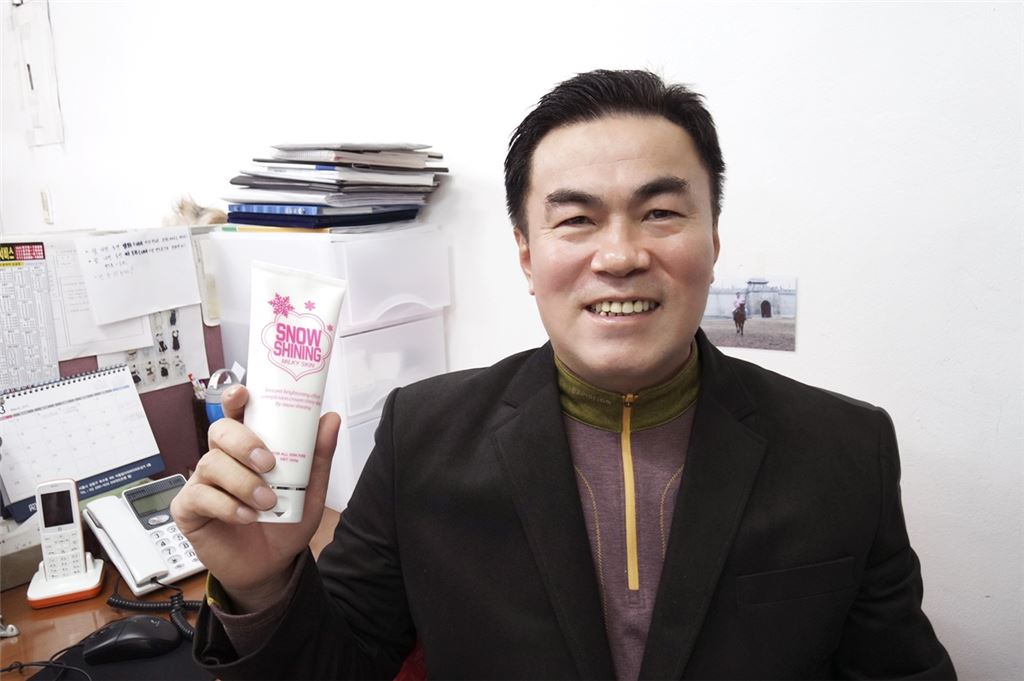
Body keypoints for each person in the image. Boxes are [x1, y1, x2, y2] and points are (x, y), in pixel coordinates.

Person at [172, 69, 955, 680]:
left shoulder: (844, 449)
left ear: (713, 239)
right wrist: (262, 587)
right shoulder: (422, 437)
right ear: (527, 255)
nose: (619, 255)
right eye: (576, 219)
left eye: (660, 213)